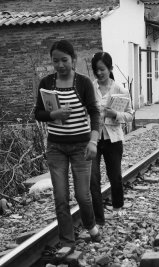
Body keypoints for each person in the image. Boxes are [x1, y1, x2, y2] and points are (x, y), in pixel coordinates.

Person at [34, 40, 101, 258]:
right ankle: (67, 241)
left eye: (64, 60)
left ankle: (90, 225)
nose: (60, 65)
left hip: (81, 146)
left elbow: (94, 113)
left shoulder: (83, 83)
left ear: (73, 59)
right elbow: (38, 113)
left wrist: (93, 141)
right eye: (56, 61)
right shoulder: (46, 83)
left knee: (83, 195)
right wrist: (54, 115)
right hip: (56, 147)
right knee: (60, 196)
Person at [90, 52, 134, 224]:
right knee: (93, 177)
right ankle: (97, 214)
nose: (99, 73)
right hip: (93, 137)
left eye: (102, 69)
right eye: (96, 70)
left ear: (110, 68)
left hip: (112, 139)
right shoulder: (89, 88)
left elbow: (130, 115)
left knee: (114, 175)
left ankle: (117, 207)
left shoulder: (120, 90)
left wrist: (115, 114)